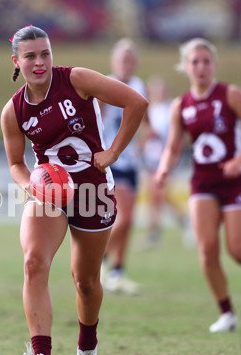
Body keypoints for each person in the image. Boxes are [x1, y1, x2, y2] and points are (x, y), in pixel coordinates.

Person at [0, 25, 147, 355]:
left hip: (93, 191)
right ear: (16, 60)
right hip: (49, 195)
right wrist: (30, 186)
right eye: (30, 55)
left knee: (85, 282)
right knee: (34, 261)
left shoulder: (76, 79)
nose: (39, 62)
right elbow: (17, 164)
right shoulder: (13, 110)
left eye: (45, 53)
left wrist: (112, 153)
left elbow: (136, 103)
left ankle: (87, 352)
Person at [154, 38, 241, 333]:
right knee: (207, 249)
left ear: (213, 64)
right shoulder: (181, 106)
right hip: (203, 182)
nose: (201, 67)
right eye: (195, 62)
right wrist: (164, 169)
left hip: (237, 180)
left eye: (206, 61)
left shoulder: (231, 95)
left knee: (238, 250)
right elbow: (174, 147)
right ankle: (226, 312)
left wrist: (239, 160)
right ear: (185, 67)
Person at [99, 38, 152, 294]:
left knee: (129, 222)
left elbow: (147, 121)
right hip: (112, 159)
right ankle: (98, 261)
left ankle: (117, 270)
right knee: (123, 217)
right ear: (113, 62)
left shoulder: (141, 86)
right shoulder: (105, 85)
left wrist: (148, 137)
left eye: (130, 59)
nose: (126, 63)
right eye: (122, 59)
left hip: (131, 161)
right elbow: (94, 120)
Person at [141, 75, 192, 249]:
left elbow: (178, 134)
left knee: (162, 196)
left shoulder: (171, 109)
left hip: (165, 158)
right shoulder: (151, 109)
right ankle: (153, 233)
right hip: (151, 157)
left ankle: (186, 222)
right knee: (153, 198)